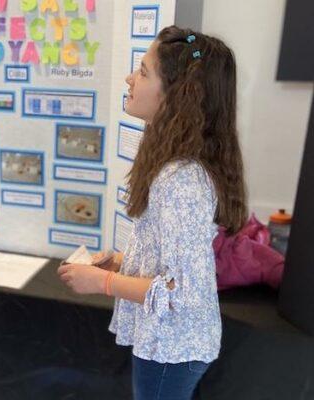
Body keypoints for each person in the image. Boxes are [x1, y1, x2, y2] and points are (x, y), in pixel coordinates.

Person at [57, 26, 247, 400]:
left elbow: (180, 292)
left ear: (178, 95)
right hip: (171, 344)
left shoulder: (182, 181)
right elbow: (173, 263)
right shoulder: (173, 169)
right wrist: (120, 261)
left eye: (143, 72)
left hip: (174, 348)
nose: (130, 78)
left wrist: (102, 283)